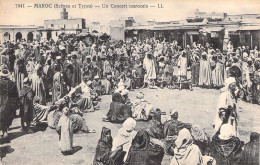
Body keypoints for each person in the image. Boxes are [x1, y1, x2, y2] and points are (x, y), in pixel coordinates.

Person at [0, 68, 19, 138]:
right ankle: (6, 130)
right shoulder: (12, 83)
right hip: (10, 102)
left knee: (1, 117)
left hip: (1, 101)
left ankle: (4, 131)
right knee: (8, 116)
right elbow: (16, 95)